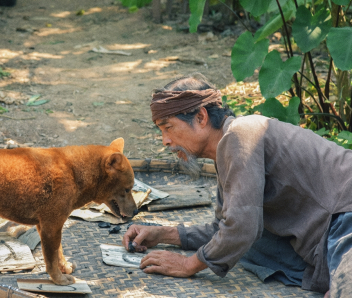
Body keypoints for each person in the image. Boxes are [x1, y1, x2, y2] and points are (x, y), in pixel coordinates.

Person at [122, 73, 352, 298]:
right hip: (325, 234)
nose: (165, 141)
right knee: (248, 247)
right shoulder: (229, 148)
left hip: (345, 216)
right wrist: (164, 234)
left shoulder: (240, 134)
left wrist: (187, 264)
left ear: (201, 117)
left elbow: (242, 227)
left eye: (168, 127)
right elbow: (224, 229)